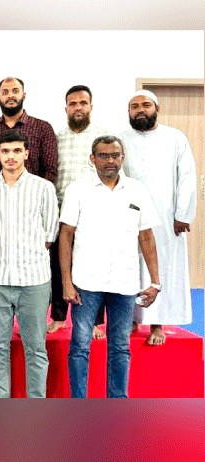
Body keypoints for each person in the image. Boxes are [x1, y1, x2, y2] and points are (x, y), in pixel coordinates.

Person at [60, 135, 161, 397]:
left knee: (120, 348)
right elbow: (66, 236)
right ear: (92, 159)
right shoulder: (77, 190)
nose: (110, 161)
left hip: (124, 281)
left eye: (115, 155)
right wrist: (66, 282)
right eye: (103, 156)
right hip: (86, 281)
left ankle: (117, 403)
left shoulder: (138, 190)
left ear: (122, 158)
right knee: (80, 346)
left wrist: (155, 282)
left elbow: (147, 237)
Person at [0, 130, 58, 398]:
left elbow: (50, 234)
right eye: (5, 151)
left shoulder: (43, 188)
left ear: (27, 153)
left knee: (36, 348)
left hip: (34, 280)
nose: (11, 156)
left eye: (17, 151)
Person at [119, 90, 197, 346]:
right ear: (129, 112)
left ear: (157, 109)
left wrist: (183, 214)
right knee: (129, 266)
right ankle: (130, 320)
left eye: (146, 105)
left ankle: (157, 324)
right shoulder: (121, 138)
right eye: (135, 106)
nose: (140, 110)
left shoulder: (175, 138)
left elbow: (187, 176)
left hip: (165, 216)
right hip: (129, 214)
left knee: (161, 266)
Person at [49, 85, 110, 337]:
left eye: (83, 103)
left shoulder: (103, 138)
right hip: (61, 211)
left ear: (91, 107)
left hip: (92, 212)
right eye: (73, 103)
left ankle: (94, 321)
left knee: (91, 266)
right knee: (58, 266)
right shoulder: (57, 138)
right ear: (66, 108)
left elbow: (112, 175)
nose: (78, 108)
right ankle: (59, 317)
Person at [0, 77, 58, 183]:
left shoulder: (43, 128)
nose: (10, 95)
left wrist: (36, 191)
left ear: (24, 95)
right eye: (5, 92)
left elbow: (50, 170)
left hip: (32, 192)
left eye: (15, 91)